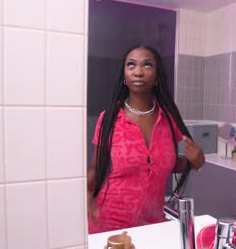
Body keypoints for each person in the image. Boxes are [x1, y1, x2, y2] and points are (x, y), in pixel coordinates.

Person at [87, 45, 205, 234]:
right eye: (131, 65)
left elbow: (170, 164)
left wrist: (198, 161)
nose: (138, 72)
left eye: (147, 65)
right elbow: (95, 169)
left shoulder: (169, 119)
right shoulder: (109, 118)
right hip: (109, 222)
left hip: (153, 223)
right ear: (124, 76)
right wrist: (87, 199)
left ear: (157, 77)